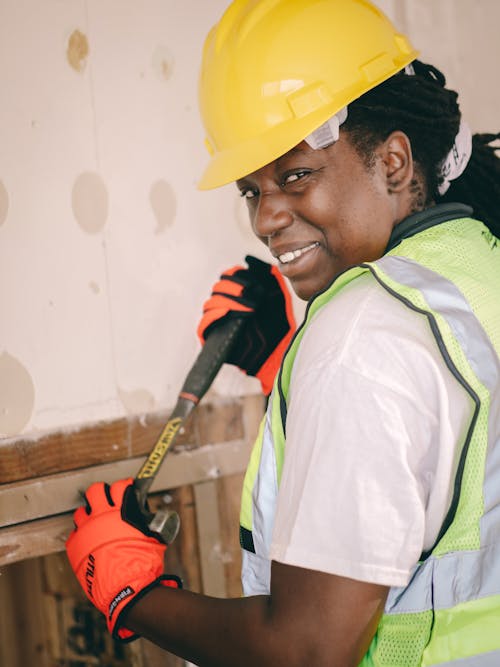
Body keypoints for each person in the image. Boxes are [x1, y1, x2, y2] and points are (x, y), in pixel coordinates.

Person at [65, 0, 500, 664]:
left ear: (392, 161)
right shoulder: (477, 261)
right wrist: (285, 363)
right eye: (251, 189)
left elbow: (307, 649)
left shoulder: (363, 337)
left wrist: (134, 596)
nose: (267, 218)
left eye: (295, 175)